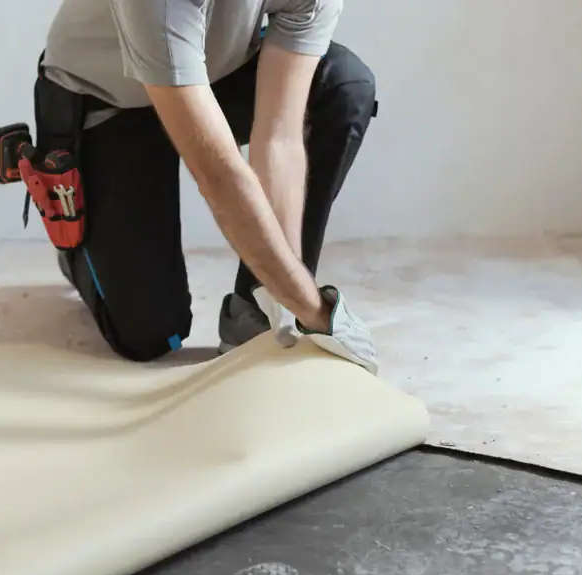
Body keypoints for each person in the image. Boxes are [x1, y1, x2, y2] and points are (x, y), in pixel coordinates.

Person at [35, 0, 379, 374]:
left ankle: (253, 307)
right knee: (146, 335)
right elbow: (218, 174)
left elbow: (279, 138)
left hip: (209, 77)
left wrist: (287, 295)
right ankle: (79, 250)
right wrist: (316, 310)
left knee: (342, 82)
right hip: (108, 101)